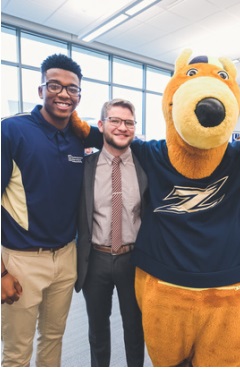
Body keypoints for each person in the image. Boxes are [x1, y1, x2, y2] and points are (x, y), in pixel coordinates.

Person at [1, 54, 90, 367]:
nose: (64, 94)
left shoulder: (78, 138)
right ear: (41, 90)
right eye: (55, 85)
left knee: (53, 340)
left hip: (66, 258)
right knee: (16, 353)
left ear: (79, 96)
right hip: (21, 260)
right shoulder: (10, 131)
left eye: (72, 89)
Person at [75, 98, 147, 367]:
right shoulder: (85, 166)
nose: (122, 127)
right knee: (98, 330)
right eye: (115, 120)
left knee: (135, 328)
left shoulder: (145, 164)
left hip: (134, 259)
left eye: (129, 122)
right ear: (102, 125)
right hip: (95, 259)